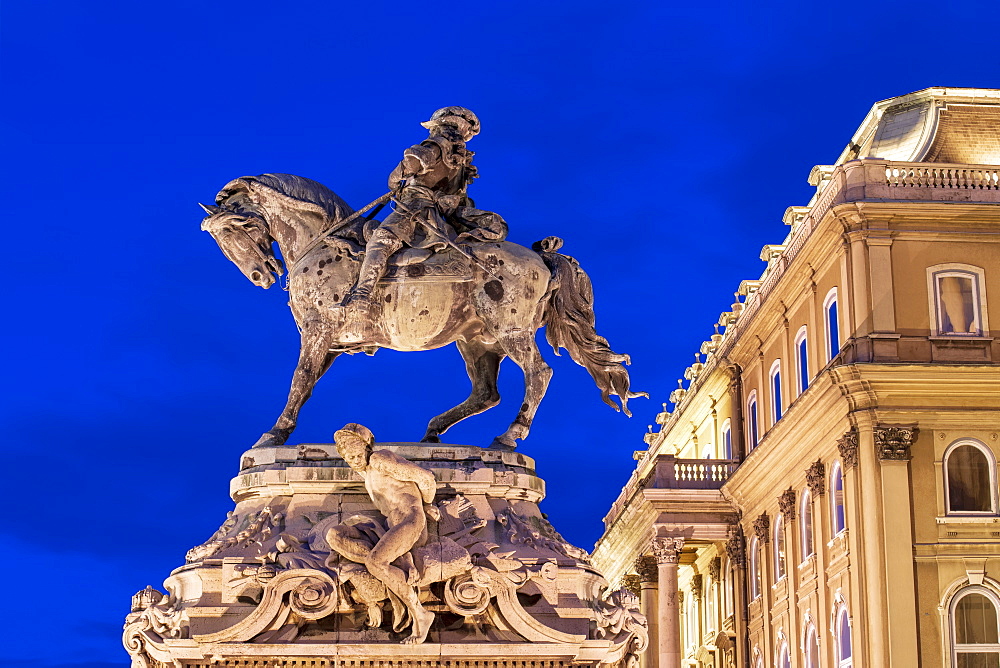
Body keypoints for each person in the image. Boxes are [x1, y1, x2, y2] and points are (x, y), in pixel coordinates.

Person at [339, 107, 508, 342]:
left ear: (441, 125)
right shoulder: (462, 161)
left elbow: (412, 163)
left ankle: (362, 295)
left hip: (415, 209)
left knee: (380, 241)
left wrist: (397, 177)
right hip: (443, 217)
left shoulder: (436, 145)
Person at [325, 423, 439, 644]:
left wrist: (427, 505)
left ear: (367, 448)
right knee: (334, 535)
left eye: (357, 453)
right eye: (349, 457)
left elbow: (426, 478)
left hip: (410, 521)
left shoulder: (379, 460)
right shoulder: (366, 473)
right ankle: (395, 570)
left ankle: (420, 614)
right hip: (390, 527)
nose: (355, 460)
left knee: (376, 563)